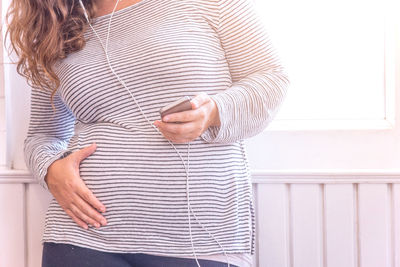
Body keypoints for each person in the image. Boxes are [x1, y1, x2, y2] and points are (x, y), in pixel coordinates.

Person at [6, 0, 289, 266]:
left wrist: (213, 112)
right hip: (81, 235)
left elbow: (271, 80)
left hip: (201, 239)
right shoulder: (56, 31)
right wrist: (51, 170)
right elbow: (42, 136)